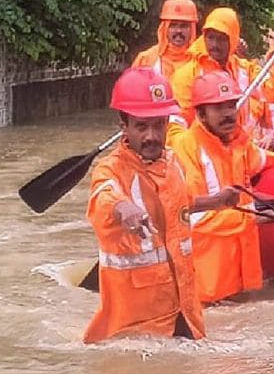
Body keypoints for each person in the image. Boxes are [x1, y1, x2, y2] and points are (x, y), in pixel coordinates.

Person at [84, 68, 206, 343]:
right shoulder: (110, 170)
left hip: (185, 316)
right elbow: (104, 197)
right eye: (141, 126)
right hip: (134, 330)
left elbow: (180, 209)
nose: (152, 136)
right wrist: (124, 208)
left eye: (158, 125)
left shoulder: (174, 164)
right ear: (124, 127)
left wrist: (218, 202)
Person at [171, 71, 274, 304]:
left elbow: (266, 160)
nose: (228, 114)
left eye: (231, 106)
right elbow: (190, 215)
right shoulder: (186, 148)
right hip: (205, 287)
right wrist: (252, 217)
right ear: (201, 113)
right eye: (218, 108)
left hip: (240, 279)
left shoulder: (239, 144)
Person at [169, 7, 274, 139]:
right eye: (210, 38)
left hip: (242, 151)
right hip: (204, 152)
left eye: (222, 39)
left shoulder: (247, 70)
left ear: (233, 39)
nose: (215, 44)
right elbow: (178, 121)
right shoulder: (187, 75)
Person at [131, 0, 199, 81]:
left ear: (192, 29)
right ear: (164, 28)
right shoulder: (146, 59)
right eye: (173, 25)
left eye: (184, 26)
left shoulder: (201, 62)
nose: (178, 31)